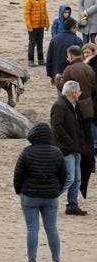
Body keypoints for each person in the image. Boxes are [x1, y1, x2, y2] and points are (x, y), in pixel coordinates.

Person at [13, 123, 66, 262]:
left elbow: (18, 174)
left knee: (32, 229)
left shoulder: (27, 152)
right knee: (52, 228)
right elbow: (63, 176)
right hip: (51, 196)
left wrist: (19, 190)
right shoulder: (57, 152)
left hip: (30, 196)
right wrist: (57, 190)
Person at [50, 80, 87, 216]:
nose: (80, 93)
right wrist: (70, 142)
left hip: (75, 147)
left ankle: (72, 205)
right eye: (79, 91)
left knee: (77, 178)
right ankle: (48, 198)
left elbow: (79, 125)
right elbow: (56, 127)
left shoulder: (74, 105)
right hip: (65, 148)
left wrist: (81, 142)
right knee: (69, 178)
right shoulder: (59, 105)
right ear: (72, 93)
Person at [57, 45, 95, 155]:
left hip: (75, 108)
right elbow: (93, 87)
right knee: (88, 135)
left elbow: (64, 88)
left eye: (68, 56)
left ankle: (82, 160)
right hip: (88, 106)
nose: (67, 58)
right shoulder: (88, 68)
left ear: (71, 55)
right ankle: (90, 162)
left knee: (77, 135)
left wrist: (58, 79)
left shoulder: (69, 69)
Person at [46, 17, 83, 87]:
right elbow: (81, 59)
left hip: (57, 74)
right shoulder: (77, 40)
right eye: (76, 28)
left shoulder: (54, 39)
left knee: (61, 95)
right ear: (72, 28)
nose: (77, 30)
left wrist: (51, 75)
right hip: (73, 74)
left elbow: (49, 58)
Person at [23, 0, 49, 67]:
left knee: (40, 43)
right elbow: (26, 14)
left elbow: (45, 12)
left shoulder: (43, 0)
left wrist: (47, 23)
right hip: (32, 26)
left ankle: (41, 60)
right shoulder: (29, 0)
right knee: (32, 43)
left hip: (41, 26)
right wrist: (29, 26)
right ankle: (31, 60)